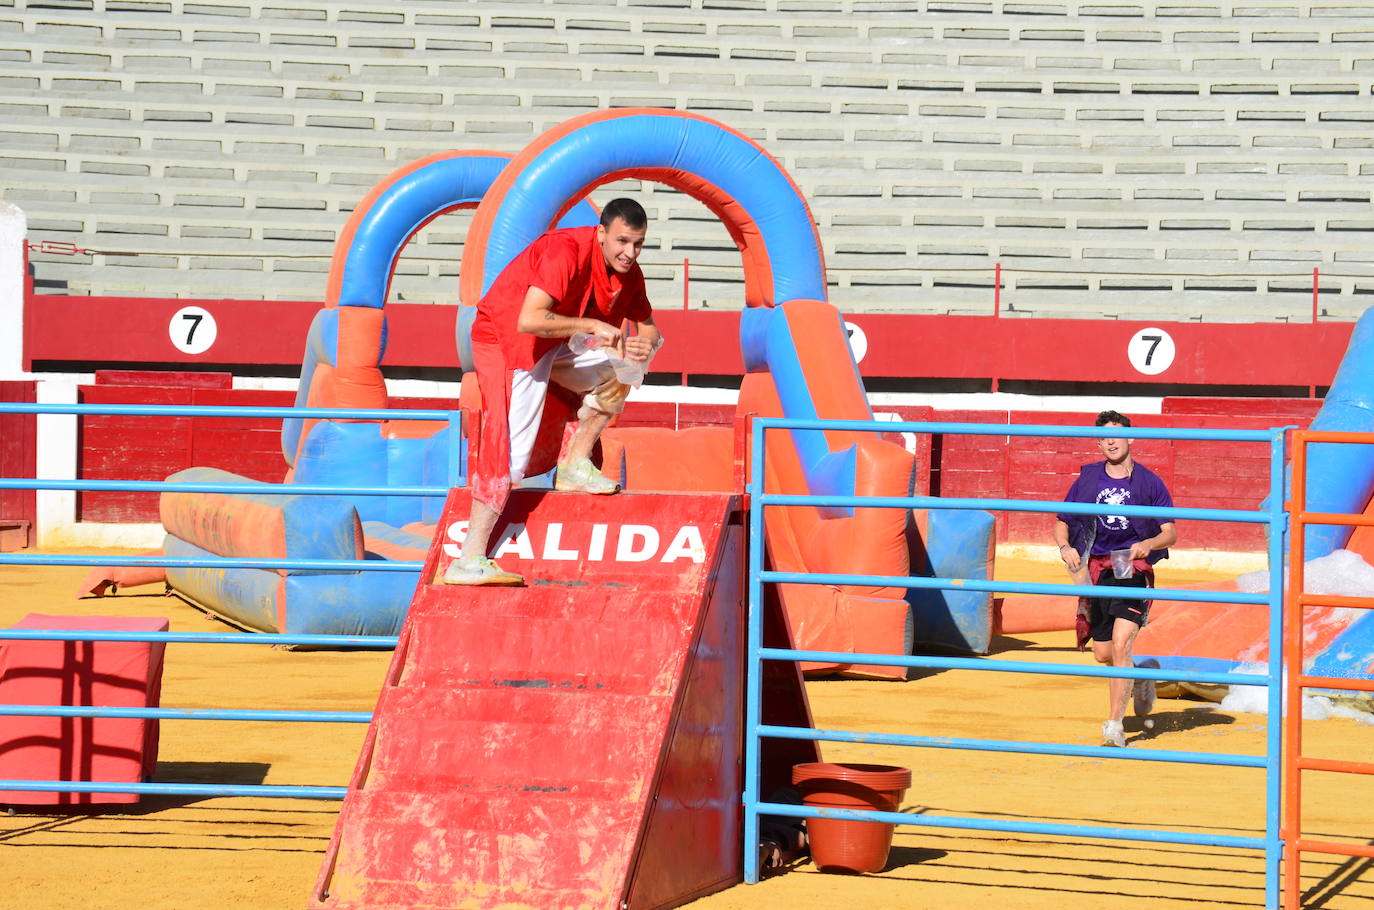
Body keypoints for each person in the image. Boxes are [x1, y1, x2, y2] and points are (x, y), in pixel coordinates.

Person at [442, 198, 662, 586]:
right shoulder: (566, 251)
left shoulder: (630, 273)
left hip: (558, 341)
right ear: (602, 233)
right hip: (509, 340)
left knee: (626, 366)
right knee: (509, 450)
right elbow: (529, 320)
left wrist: (647, 345)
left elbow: (650, 329)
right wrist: (593, 324)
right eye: (623, 241)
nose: (630, 253)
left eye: (638, 244)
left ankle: (575, 465)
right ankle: (469, 558)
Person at [1052, 410, 1177, 748]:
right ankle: (1139, 676)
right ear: (1098, 441)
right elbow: (1061, 521)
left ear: (1130, 438)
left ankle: (1114, 725)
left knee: (1122, 643)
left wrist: (1147, 545)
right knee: (1104, 653)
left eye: (1117, 435)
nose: (1110, 441)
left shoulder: (1149, 481)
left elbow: (1170, 533)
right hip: (1096, 563)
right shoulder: (1089, 480)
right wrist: (1065, 547)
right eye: (1104, 436)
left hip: (1128, 563)